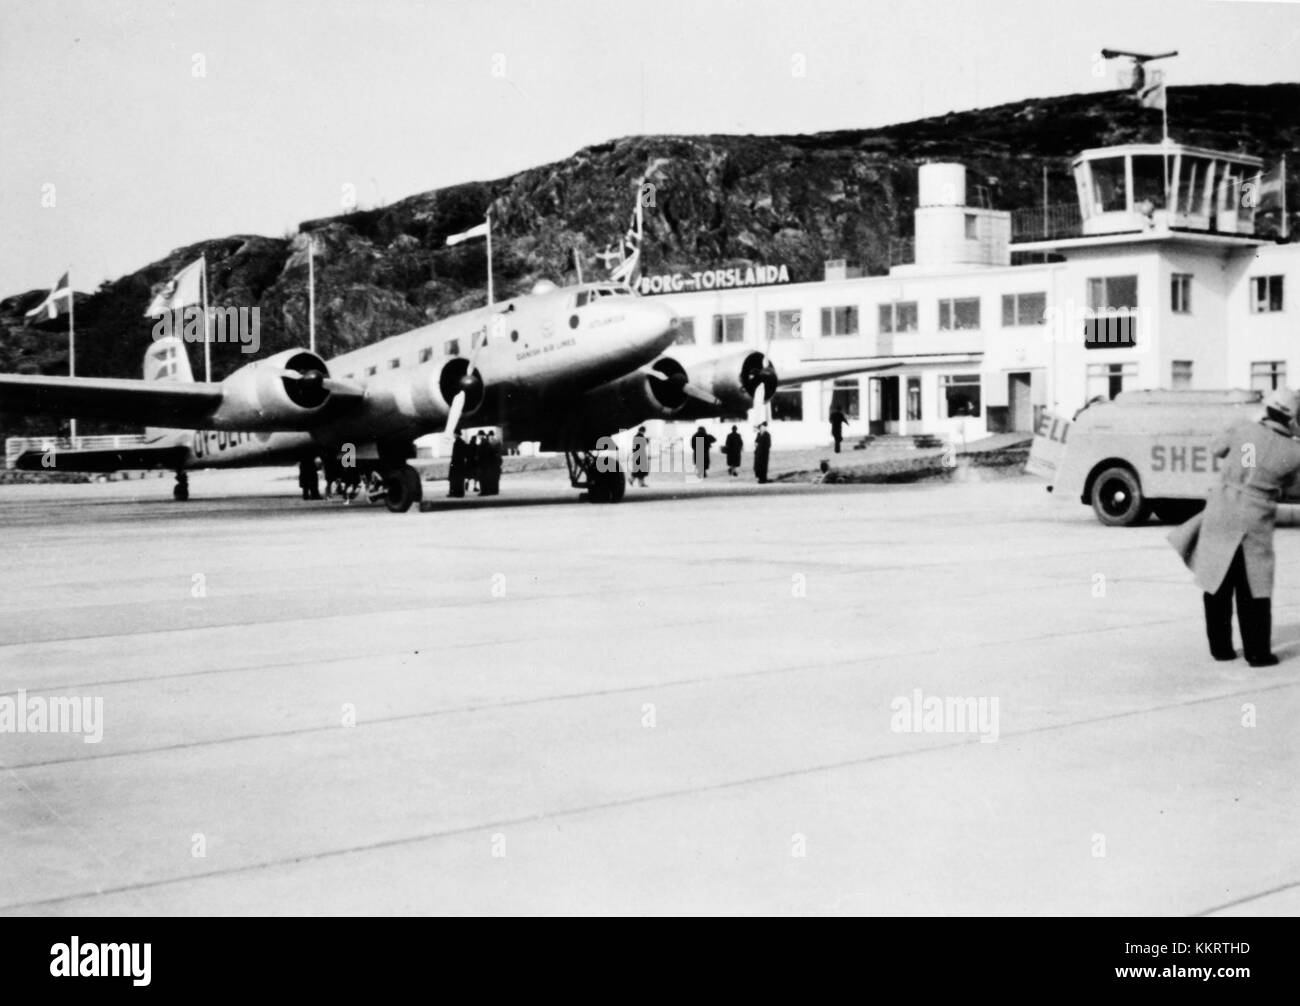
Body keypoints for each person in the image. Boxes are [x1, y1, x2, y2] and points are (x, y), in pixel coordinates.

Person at [1168, 388, 1300, 667]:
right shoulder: (1294, 450)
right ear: (1292, 418)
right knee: (1254, 586)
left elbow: (1216, 448)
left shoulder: (1243, 429)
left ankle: (1221, 648)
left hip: (1223, 510)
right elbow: (1289, 486)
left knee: (1217, 581)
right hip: (1257, 516)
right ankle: (1257, 653)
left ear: (1267, 409)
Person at [481, 430, 503, 495]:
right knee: (495, 478)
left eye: (490, 435)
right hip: (495, 462)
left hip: (493, 462)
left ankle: (493, 490)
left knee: (493, 477)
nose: (489, 437)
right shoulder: (497, 442)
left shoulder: (492, 442)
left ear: (491, 435)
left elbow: (493, 452)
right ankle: (494, 490)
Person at [448, 431, 468, 498]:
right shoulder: (462, 442)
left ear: (457, 434)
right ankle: (460, 493)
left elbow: (455, 455)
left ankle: (454, 493)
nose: (454, 435)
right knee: (460, 479)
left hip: (456, 464)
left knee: (454, 479)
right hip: (461, 464)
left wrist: (452, 463)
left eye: (454, 434)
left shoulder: (456, 443)